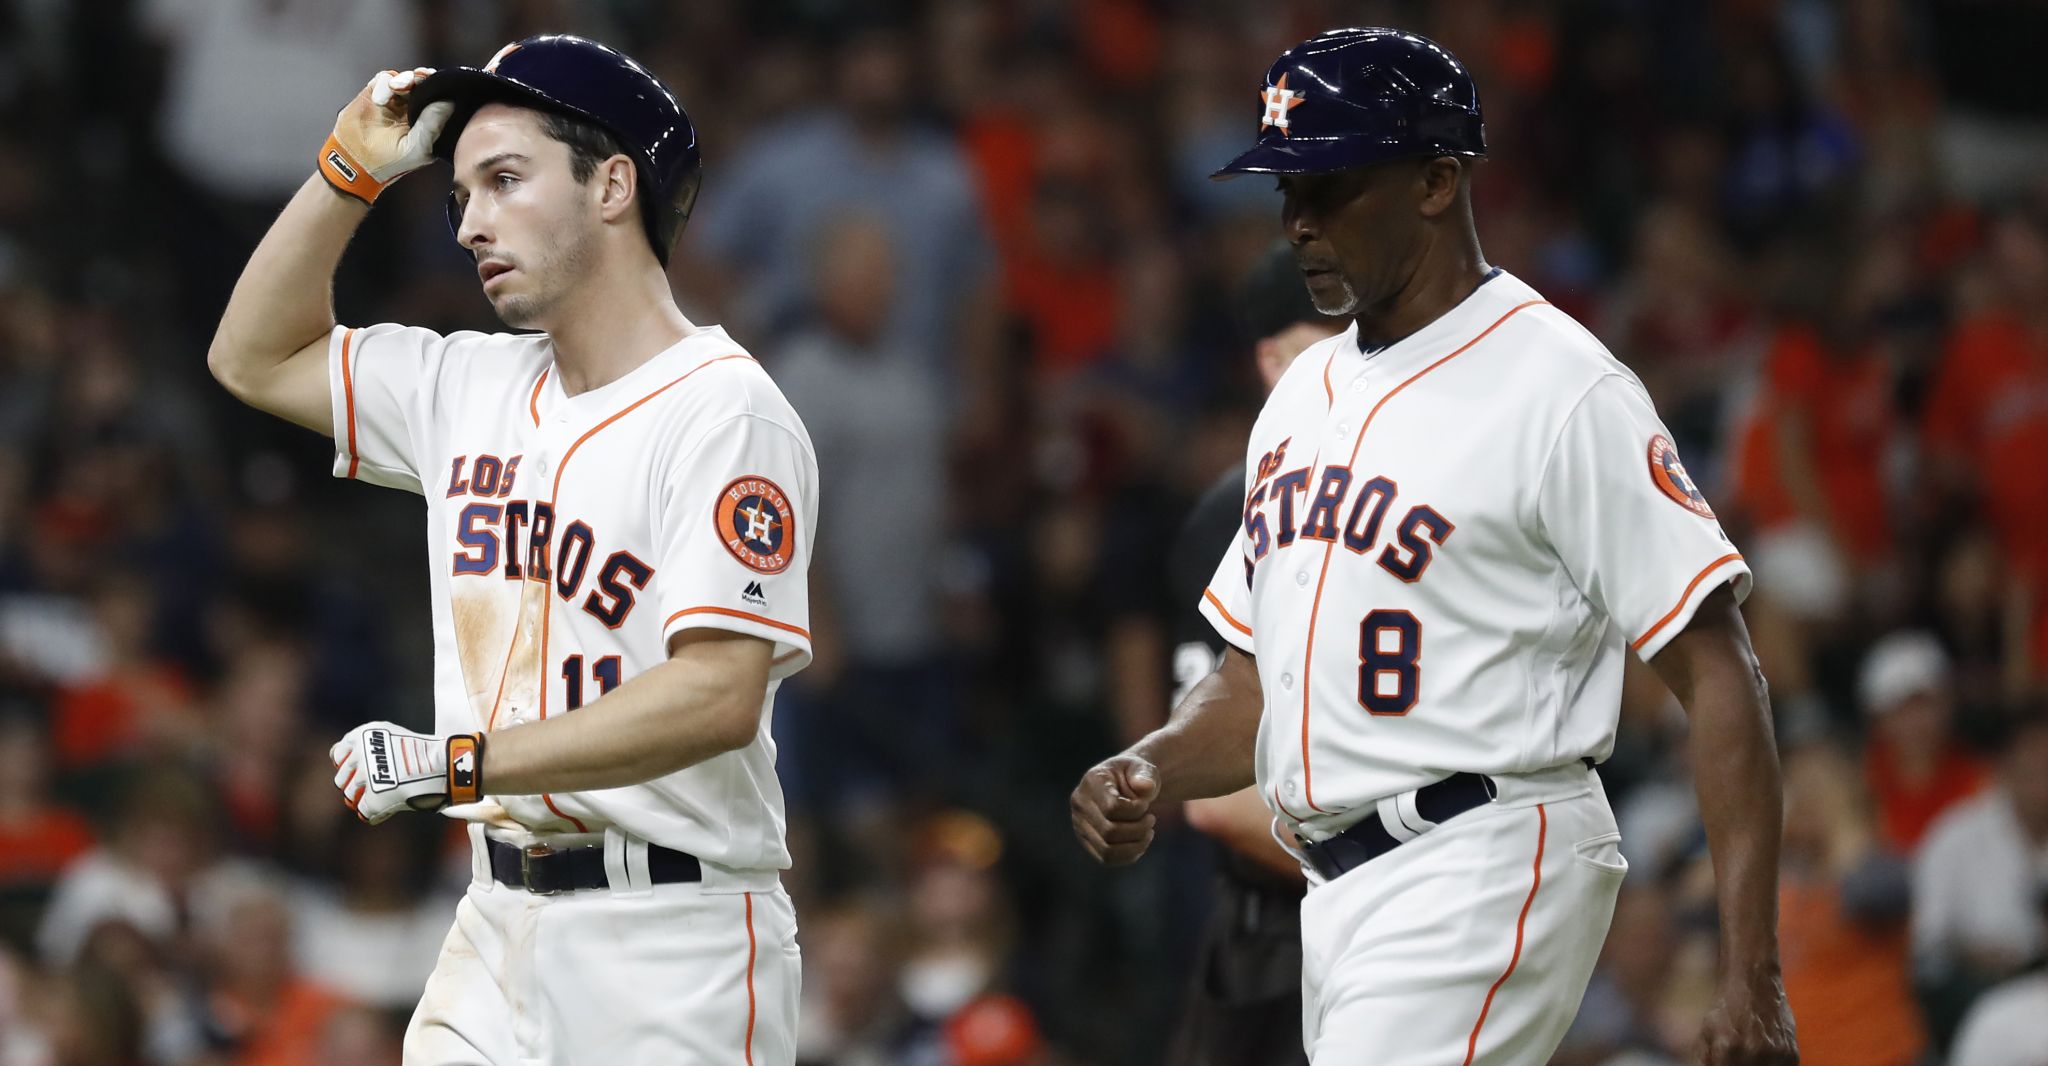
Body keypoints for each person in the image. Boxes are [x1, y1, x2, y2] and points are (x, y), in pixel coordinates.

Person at [1067, 28, 1797, 1065]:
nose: (1298, 222)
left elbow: (1720, 671)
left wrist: (1749, 971)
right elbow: (1250, 687)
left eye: (1329, 187)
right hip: (1335, 889)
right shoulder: (1300, 396)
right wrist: (1145, 764)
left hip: (1485, 851)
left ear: (1435, 178)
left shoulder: (1558, 385)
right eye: (1287, 192)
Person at [205, 35, 815, 1065]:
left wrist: (459, 763)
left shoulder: (726, 411)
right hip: (494, 917)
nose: (471, 224)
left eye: (502, 180)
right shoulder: (468, 384)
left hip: (671, 938)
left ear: (613, 183)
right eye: (457, 198)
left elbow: (716, 695)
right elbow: (251, 355)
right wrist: (345, 175)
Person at [1165, 243, 1342, 1066]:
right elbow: (1219, 801)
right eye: (1326, 336)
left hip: (1391, 917)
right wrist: (1393, 867)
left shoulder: (1405, 489)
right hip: (1282, 943)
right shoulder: (1232, 516)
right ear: (1272, 359)